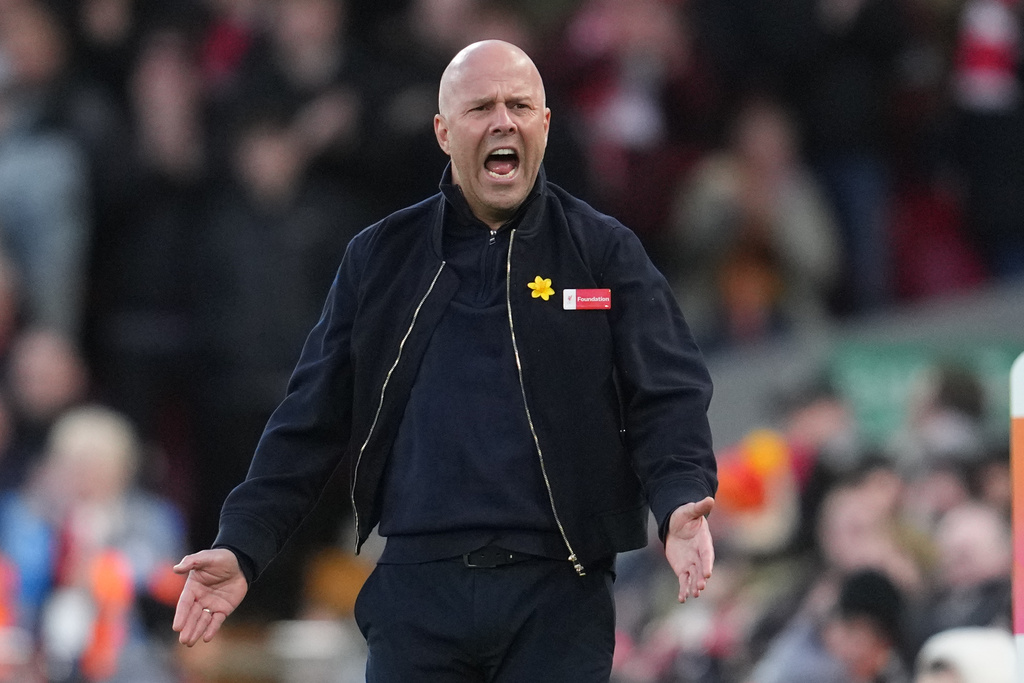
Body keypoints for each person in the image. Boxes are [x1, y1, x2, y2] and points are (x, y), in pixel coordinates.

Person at [172, 39, 717, 681]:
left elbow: (667, 391)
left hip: (559, 593)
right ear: (442, 131)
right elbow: (308, 421)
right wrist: (243, 542)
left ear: (544, 124)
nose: (503, 121)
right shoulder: (380, 258)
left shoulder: (603, 255)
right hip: (416, 593)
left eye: (519, 105)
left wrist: (680, 497)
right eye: (481, 107)